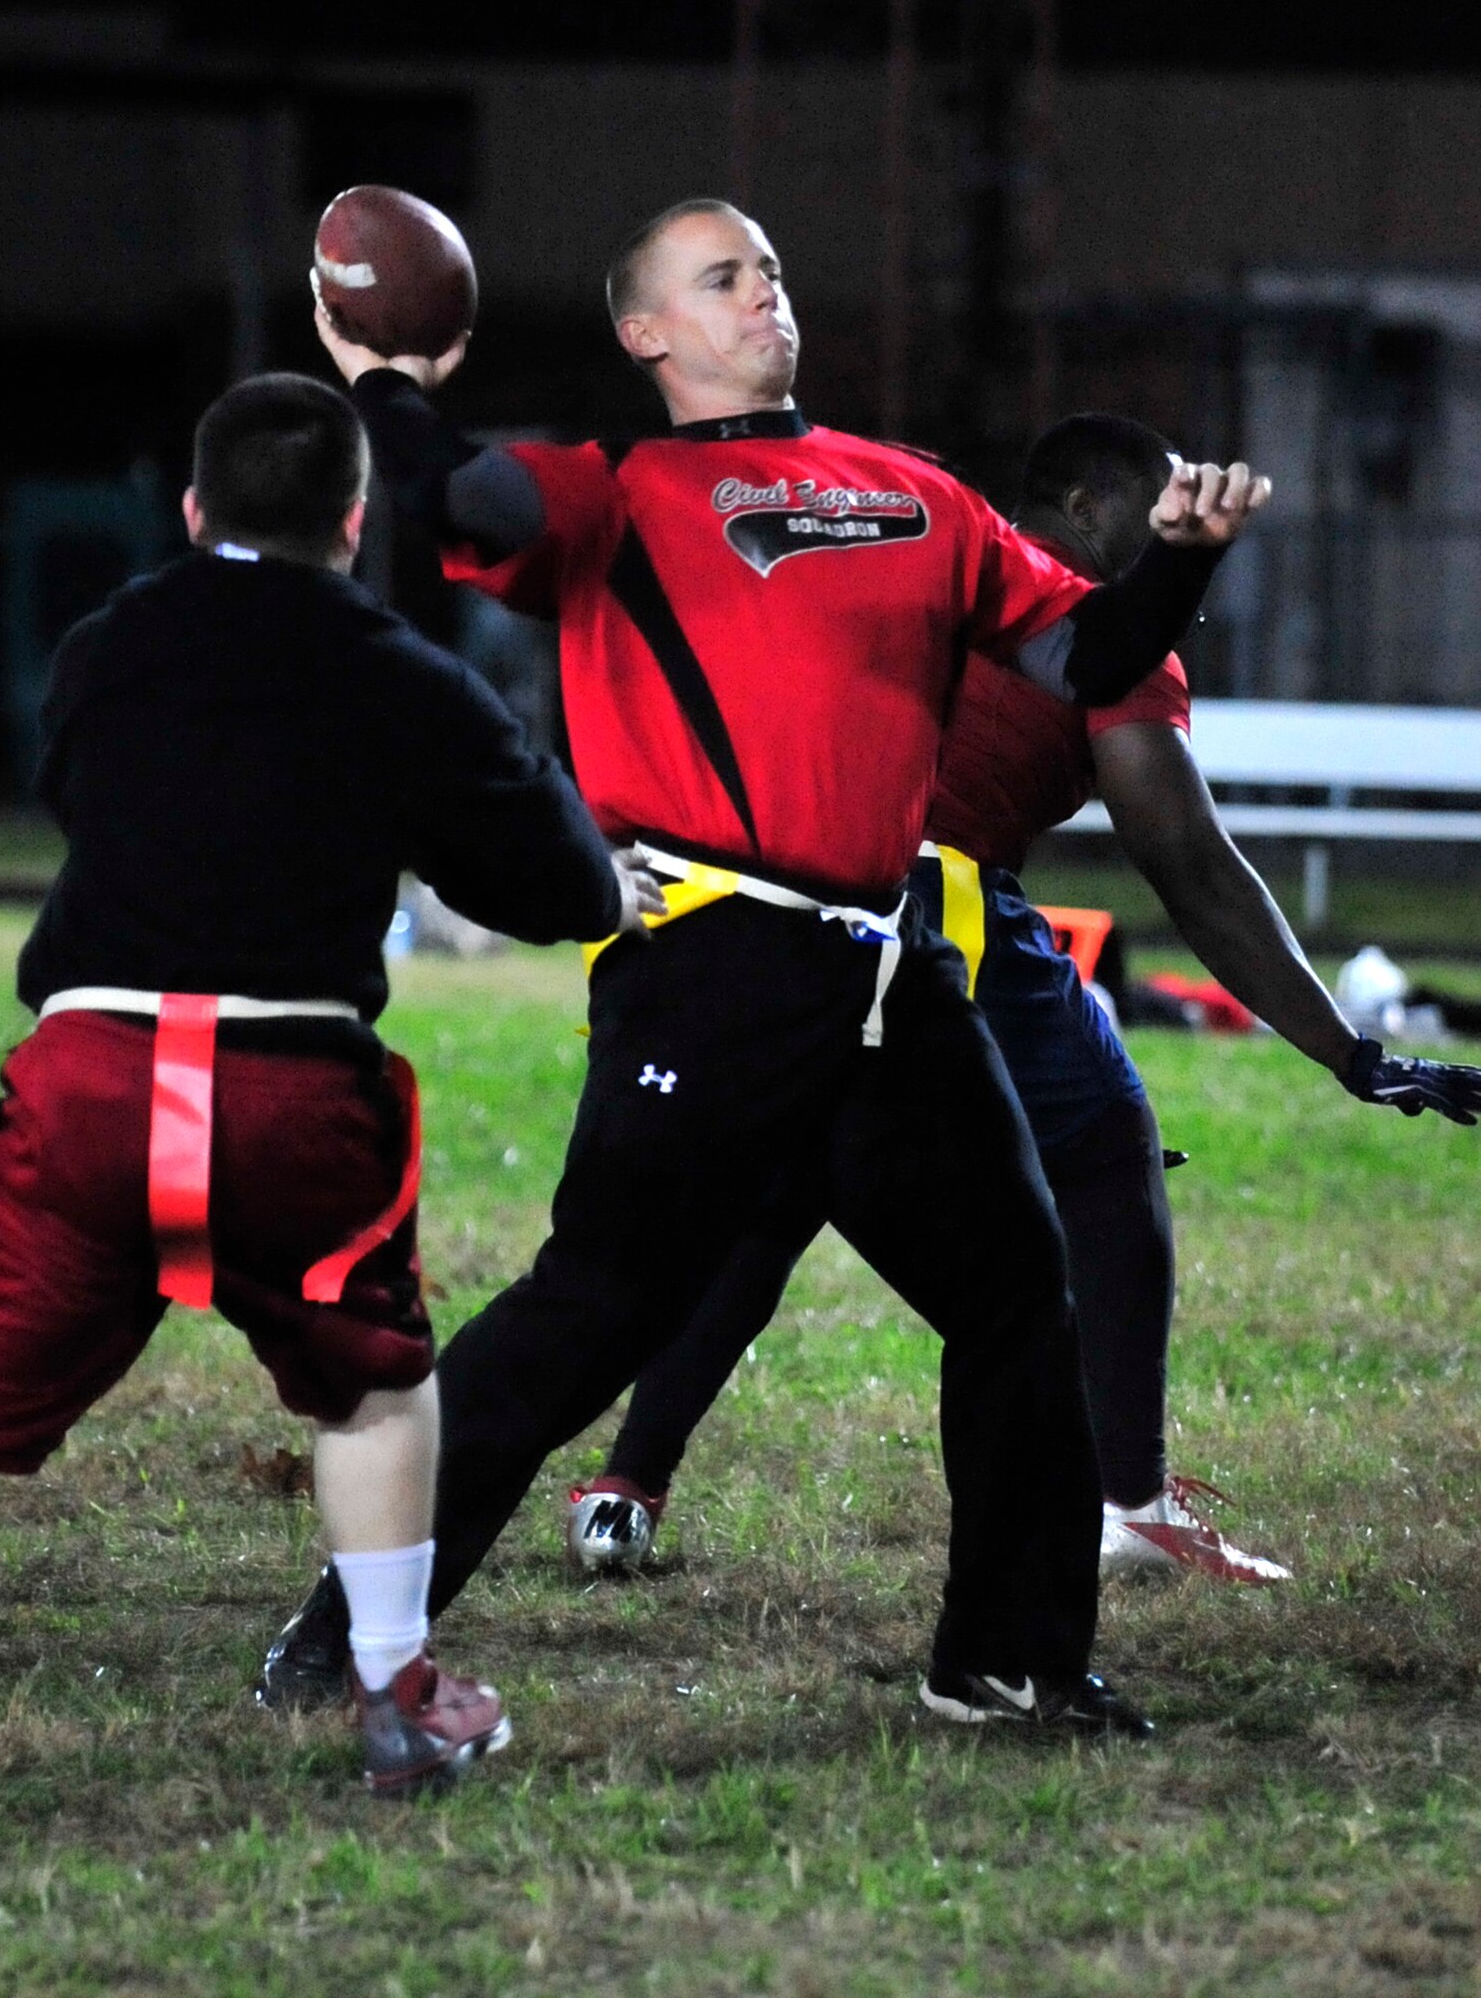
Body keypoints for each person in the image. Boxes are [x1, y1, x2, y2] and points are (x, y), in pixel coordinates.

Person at [260, 198, 1273, 1736]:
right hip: (711, 963)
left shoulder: (912, 494)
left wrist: (1180, 564)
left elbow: (1089, 661)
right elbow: (452, 492)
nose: (760, 293)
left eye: (770, 270)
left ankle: (1004, 1660)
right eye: (718, 277)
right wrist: (382, 369)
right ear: (645, 332)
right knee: (584, 1315)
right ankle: (351, 1619)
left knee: (1019, 1299)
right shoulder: (618, 489)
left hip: (887, 974)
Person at [0, 373, 650, 1837]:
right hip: (286, 1090)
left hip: (88, 1086)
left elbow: (92, 790)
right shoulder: (399, 676)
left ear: (192, 511)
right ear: (354, 519)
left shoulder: (101, 649)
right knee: (375, 1390)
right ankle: (394, 1699)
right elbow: (560, 885)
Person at [559, 411, 1481, 1588]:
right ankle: (1128, 1500)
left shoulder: (920, 547)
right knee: (1101, 1149)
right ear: (1090, 512)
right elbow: (1189, 864)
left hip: (748, 907)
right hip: (928, 904)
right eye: (1159, 527)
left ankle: (622, 1486)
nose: (1182, 570)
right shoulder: (1078, 623)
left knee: (778, 1178)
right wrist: (1347, 1049)